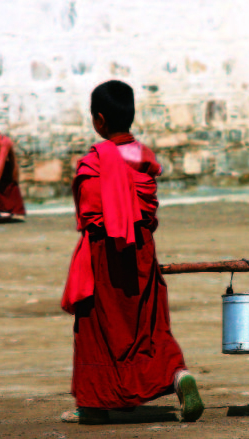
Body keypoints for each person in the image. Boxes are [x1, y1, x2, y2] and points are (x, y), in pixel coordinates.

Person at [60, 80, 204, 425]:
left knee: (96, 326)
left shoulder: (94, 160)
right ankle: (176, 374)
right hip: (140, 248)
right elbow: (149, 209)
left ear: (99, 119)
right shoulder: (144, 156)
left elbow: (90, 215)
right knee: (147, 325)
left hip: (105, 252)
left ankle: (93, 405)